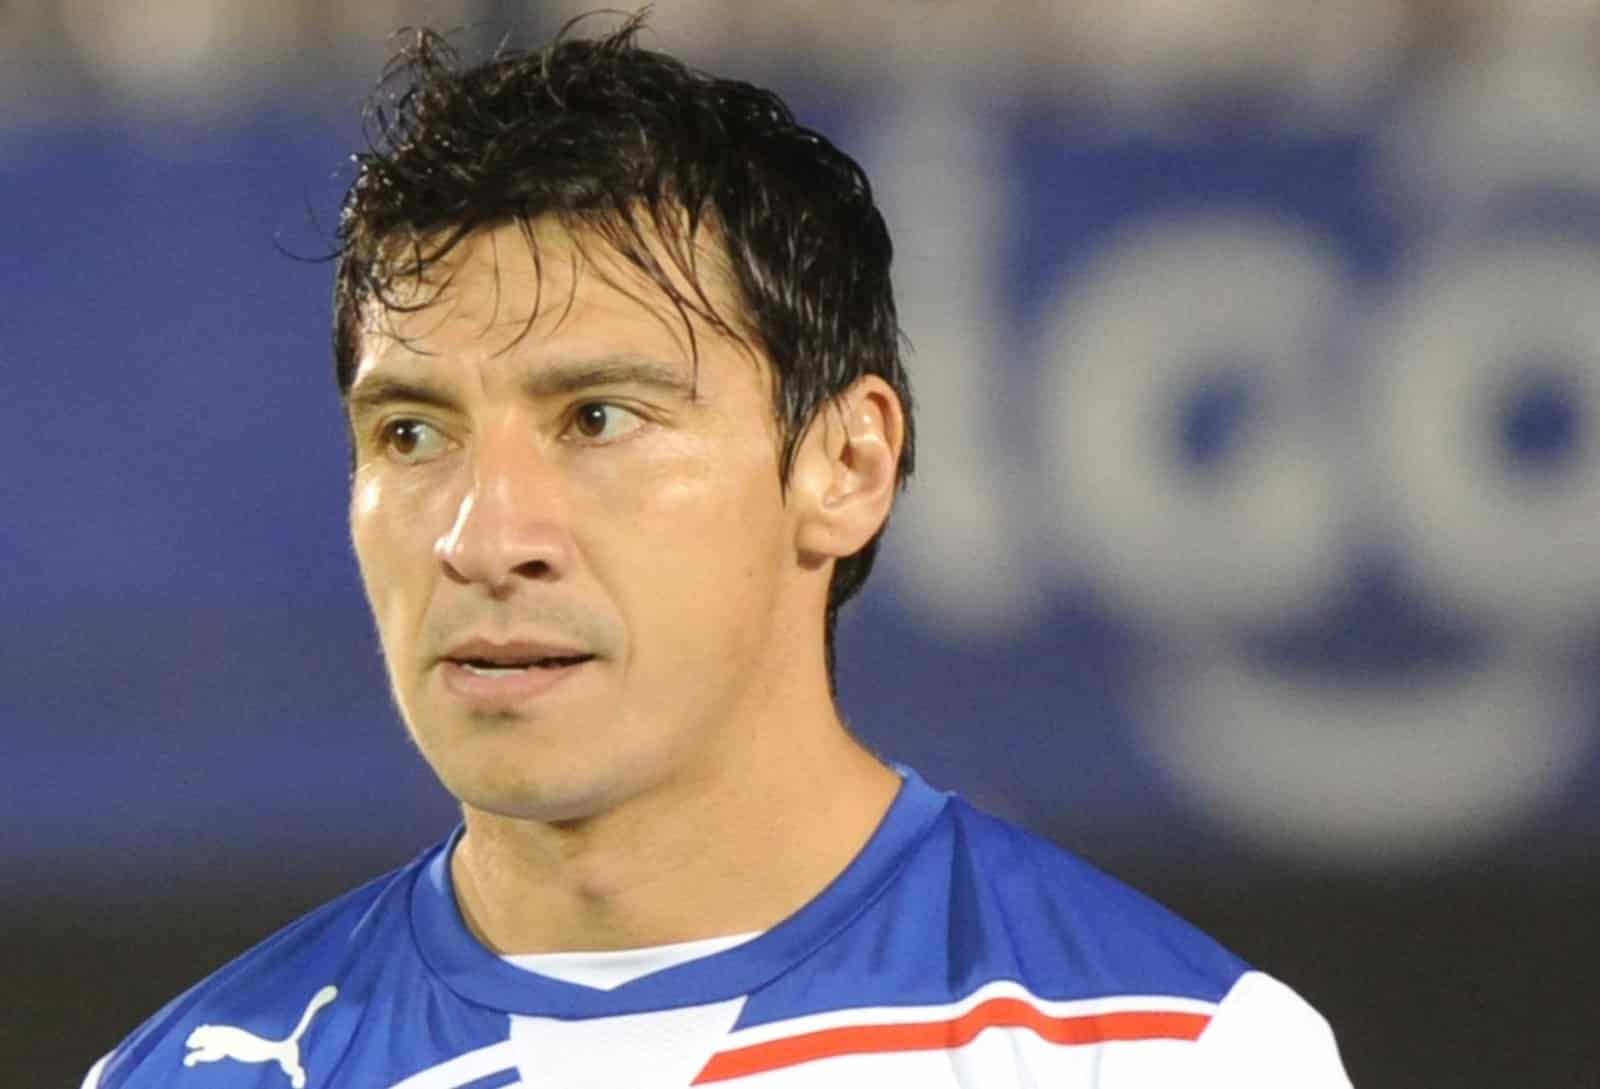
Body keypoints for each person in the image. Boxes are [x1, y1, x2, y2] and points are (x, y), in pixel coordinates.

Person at [84, 14, 1351, 1088]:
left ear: (845, 466)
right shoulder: (202, 1073)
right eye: (412, 433)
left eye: (598, 418)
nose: (484, 538)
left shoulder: (1163, 1055)